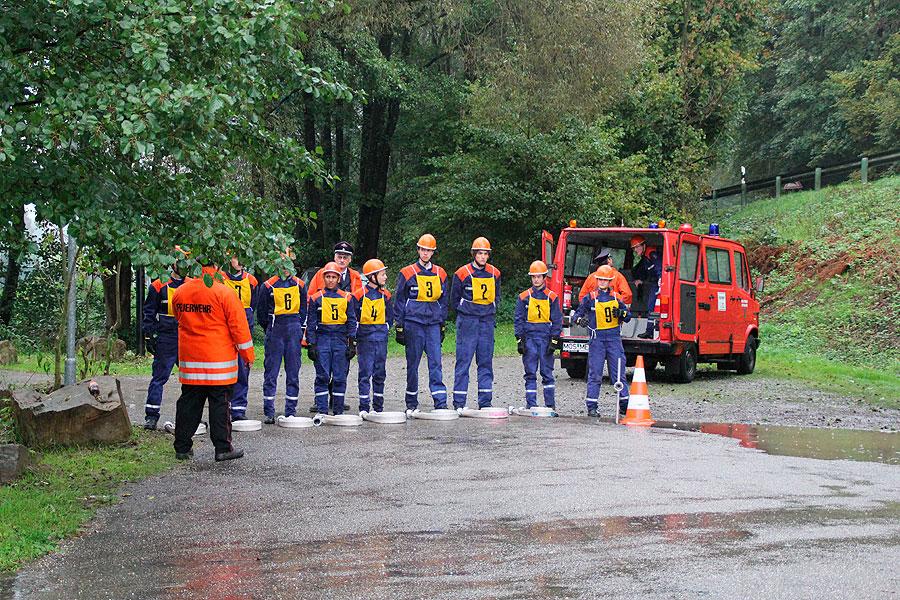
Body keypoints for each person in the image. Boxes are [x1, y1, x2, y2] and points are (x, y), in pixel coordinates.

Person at [171, 260, 254, 462]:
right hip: (219, 363)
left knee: (188, 405)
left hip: (191, 362)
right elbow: (239, 328)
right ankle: (223, 448)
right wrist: (248, 355)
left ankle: (182, 448)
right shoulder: (224, 293)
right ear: (216, 267)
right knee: (220, 406)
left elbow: (178, 318)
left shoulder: (180, 292)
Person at [306, 241, 364, 413]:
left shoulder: (354, 279)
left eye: (345, 257)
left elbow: (357, 305)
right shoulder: (319, 279)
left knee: (340, 374)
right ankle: (321, 406)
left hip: (341, 335)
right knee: (322, 373)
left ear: (350, 259)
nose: (342, 259)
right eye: (339, 256)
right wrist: (311, 343)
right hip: (323, 335)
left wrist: (352, 342)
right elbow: (311, 314)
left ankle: (338, 407)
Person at [394, 234, 449, 411]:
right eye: (423, 249)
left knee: (436, 363)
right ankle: (411, 403)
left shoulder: (441, 273)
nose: (425, 253)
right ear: (418, 250)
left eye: (429, 250)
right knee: (413, 364)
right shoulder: (406, 272)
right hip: (413, 323)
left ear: (433, 252)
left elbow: (444, 301)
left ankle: (440, 402)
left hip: (433, 324)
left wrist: (442, 324)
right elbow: (399, 300)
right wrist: (399, 326)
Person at [141, 246, 191, 430]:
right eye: (180, 262)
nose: (183, 266)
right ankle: (151, 416)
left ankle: (191, 417)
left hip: (188, 337)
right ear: (173, 263)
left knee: (192, 380)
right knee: (159, 377)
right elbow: (148, 313)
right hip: (166, 338)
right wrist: (149, 336)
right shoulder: (158, 285)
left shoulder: (193, 284)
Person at [450, 237, 502, 409]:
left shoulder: (495, 273)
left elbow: (497, 296)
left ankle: (485, 402)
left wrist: (491, 309)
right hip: (468, 322)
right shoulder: (462, 273)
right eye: (480, 253)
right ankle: (459, 403)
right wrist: (467, 310)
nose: (483, 257)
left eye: (485, 254)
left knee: (486, 362)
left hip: (487, 322)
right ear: (474, 254)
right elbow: (454, 299)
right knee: (463, 362)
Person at [572, 265, 631, 417]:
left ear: (610, 281)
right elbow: (576, 316)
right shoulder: (590, 298)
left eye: (605, 280)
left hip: (614, 340)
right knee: (595, 374)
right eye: (600, 280)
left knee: (618, 373)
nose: (602, 282)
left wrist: (621, 313)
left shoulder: (617, 297)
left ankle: (624, 404)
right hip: (597, 341)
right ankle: (592, 406)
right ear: (597, 280)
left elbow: (628, 316)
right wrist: (580, 321)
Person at [259, 249, 307, 424]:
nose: (285, 267)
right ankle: (269, 411)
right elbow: (261, 313)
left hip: (293, 330)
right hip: (275, 331)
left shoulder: (300, 285)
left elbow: (304, 309)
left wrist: (299, 329)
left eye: (288, 262)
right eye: (281, 263)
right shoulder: (267, 286)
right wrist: (270, 329)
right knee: (271, 372)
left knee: (293, 372)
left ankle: (290, 411)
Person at [514, 261, 563, 409]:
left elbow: (557, 320)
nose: (536, 280)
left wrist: (554, 340)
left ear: (544, 277)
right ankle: (531, 405)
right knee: (530, 373)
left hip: (545, 339)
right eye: (533, 277)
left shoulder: (552, 297)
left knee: (547, 373)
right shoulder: (524, 297)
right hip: (529, 339)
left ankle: (550, 405)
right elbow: (519, 319)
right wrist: (519, 339)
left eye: (539, 277)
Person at [353, 259, 393, 413]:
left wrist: (385, 327)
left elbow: (390, 316)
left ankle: (378, 407)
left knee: (380, 372)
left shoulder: (386, 295)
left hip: (381, 339)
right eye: (383, 274)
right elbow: (353, 317)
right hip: (365, 340)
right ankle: (364, 407)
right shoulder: (358, 295)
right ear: (372, 277)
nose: (385, 277)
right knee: (365, 373)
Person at [222, 255, 258, 421]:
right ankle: (224, 407)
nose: (240, 262)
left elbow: (254, 306)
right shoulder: (220, 279)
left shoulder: (251, 281)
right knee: (224, 370)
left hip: (244, 329)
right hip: (224, 331)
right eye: (236, 257)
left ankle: (238, 409)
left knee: (243, 368)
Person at [630, 235, 662, 339]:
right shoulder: (645, 258)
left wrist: (661, 279)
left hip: (659, 284)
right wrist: (641, 280)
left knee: (653, 307)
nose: (635, 250)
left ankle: (651, 331)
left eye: (637, 247)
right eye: (634, 248)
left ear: (643, 245)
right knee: (650, 306)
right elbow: (643, 271)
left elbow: (660, 267)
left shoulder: (651, 254)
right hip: (654, 283)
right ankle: (649, 331)